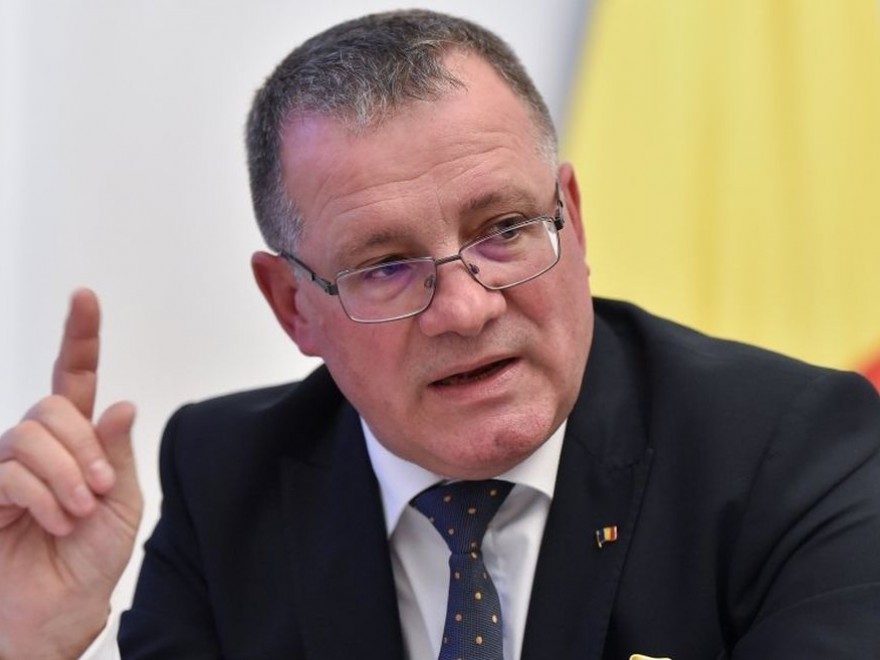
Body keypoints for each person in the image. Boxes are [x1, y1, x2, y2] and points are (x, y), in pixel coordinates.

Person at [2, 9, 879, 659]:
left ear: (571, 219)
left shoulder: (795, 454)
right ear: (294, 306)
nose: (464, 309)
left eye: (504, 230)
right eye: (386, 266)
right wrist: (31, 643)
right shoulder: (228, 478)